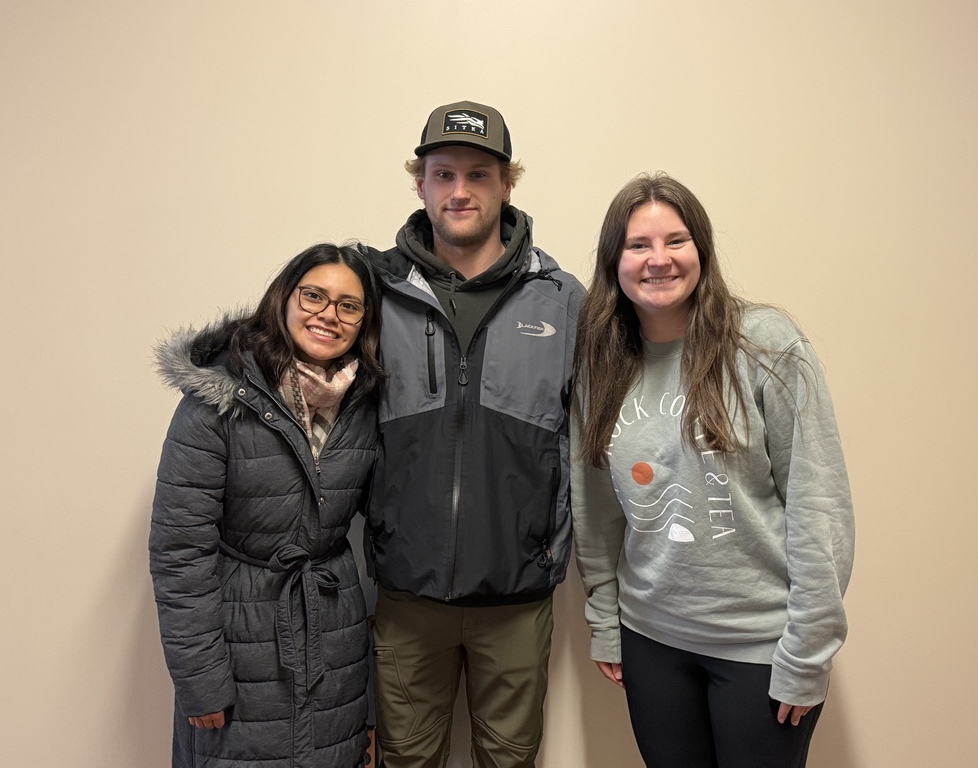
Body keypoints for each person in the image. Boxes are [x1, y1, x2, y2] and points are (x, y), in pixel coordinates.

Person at [571, 172, 854, 768]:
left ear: (701, 248)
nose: (659, 260)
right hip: (651, 640)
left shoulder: (765, 344)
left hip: (760, 644)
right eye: (638, 245)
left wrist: (808, 649)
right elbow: (594, 505)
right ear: (613, 261)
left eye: (676, 241)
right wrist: (604, 617)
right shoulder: (602, 360)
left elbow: (817, 501)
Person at [361, 100, 584, 768]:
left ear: (507, 183)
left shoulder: (562, 298)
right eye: (443, 173)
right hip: (405, 594)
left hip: (516, 595)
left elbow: (593, 439)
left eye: (479, 174)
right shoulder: (373, 289)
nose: (460, 191)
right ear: (420, 182)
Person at [148, 243, 385, 768]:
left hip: (334, 632)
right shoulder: (218, 401)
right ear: (284, 298)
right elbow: (179, 550)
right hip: (241, 636)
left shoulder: (365, 400)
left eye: (349, 305)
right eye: (314, 296)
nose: (329, 315)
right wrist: (200, 678)